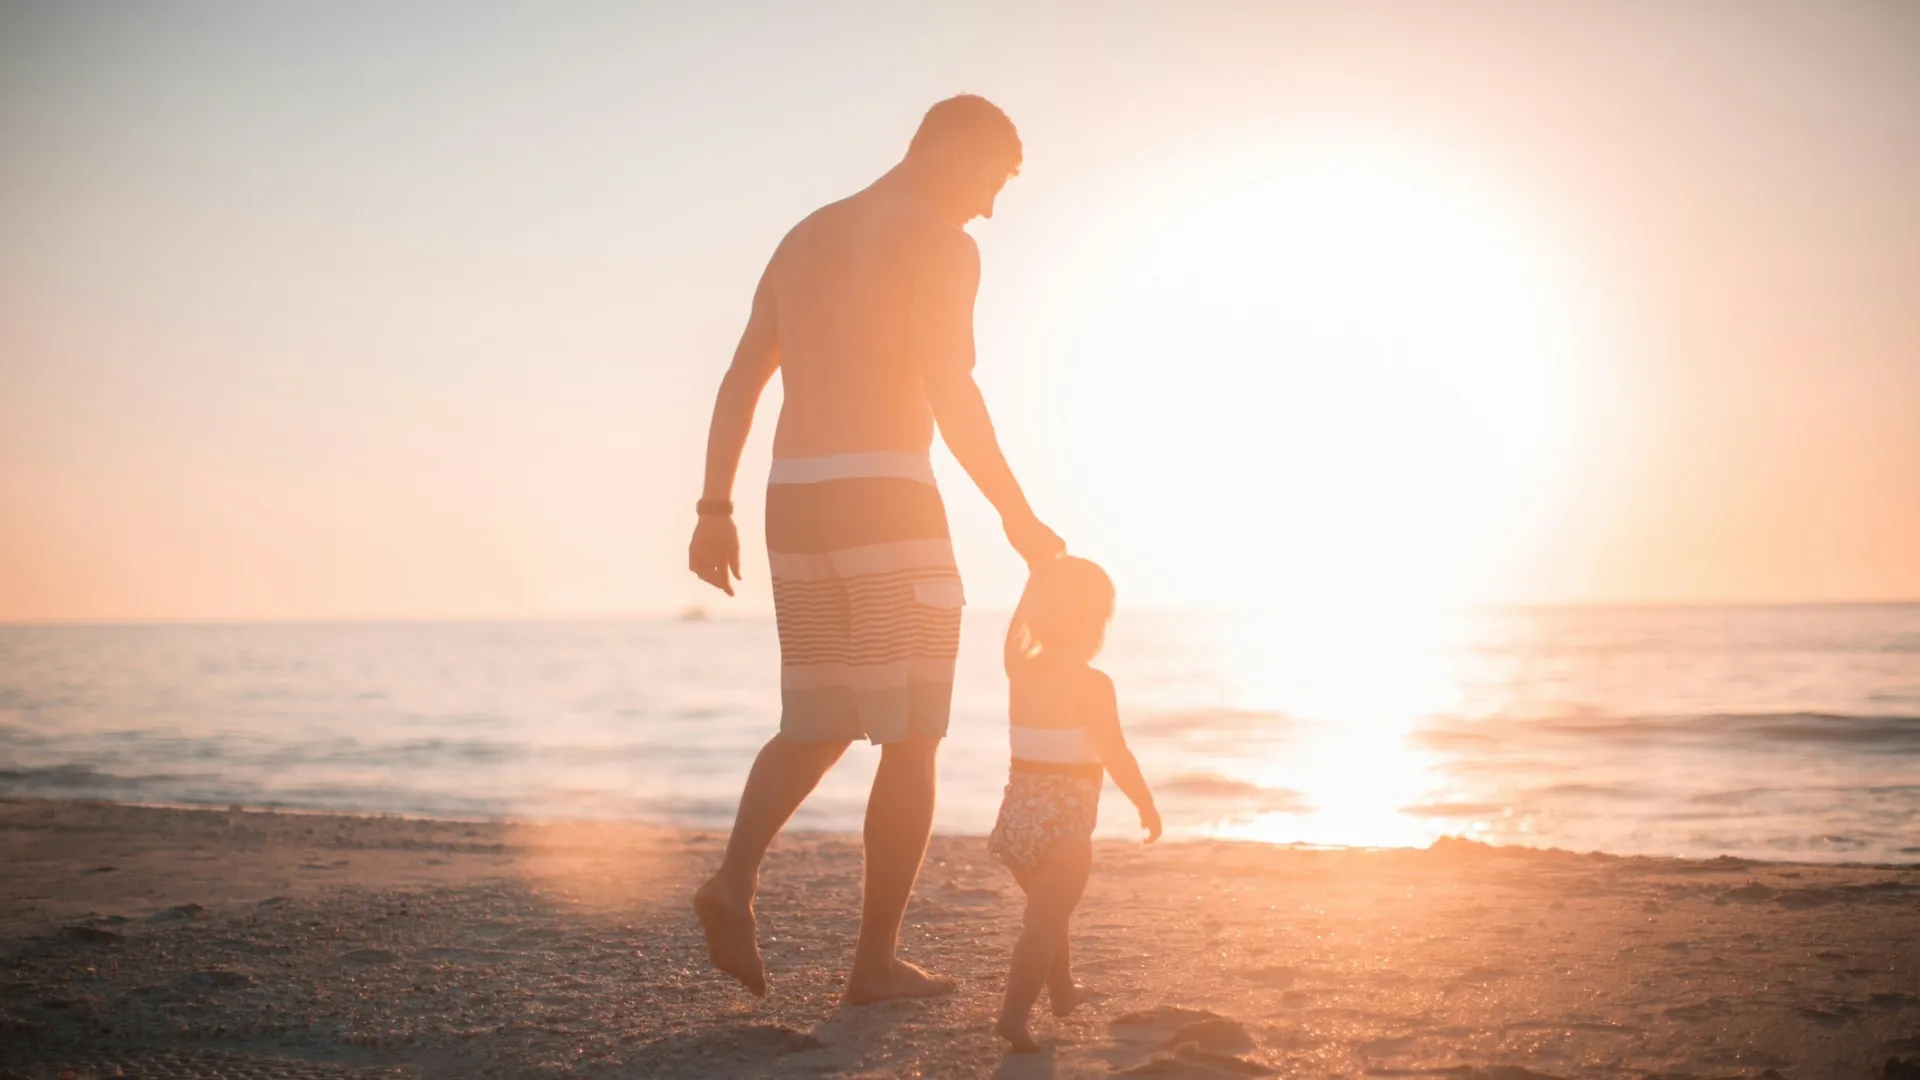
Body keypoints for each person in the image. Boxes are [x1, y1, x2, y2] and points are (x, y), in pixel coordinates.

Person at [686, 94, 1066, 1004]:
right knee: (912, 736)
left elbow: (744, 374)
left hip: (794, 500)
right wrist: (1017, 515)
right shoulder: (941, 244)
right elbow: (952, 390)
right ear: (953, 151)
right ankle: (872, 967)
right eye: (990, 181)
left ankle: (732, 881)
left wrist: (712, 507)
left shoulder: (807, 234)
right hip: (888, 497)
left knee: (816, 722)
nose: (988, 207)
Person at [989, 556, 1160, 1052]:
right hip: (1064, 824)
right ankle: (1013, 1016)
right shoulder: (1093, 684)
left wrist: (1034, 579)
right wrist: (1145, 804)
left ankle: (1061, 992)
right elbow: (1115, 753)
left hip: (1018, 821)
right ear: (1093, 626)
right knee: (1044, 921)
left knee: (1049, 909)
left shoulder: (1020, 670)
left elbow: (1014, 632)